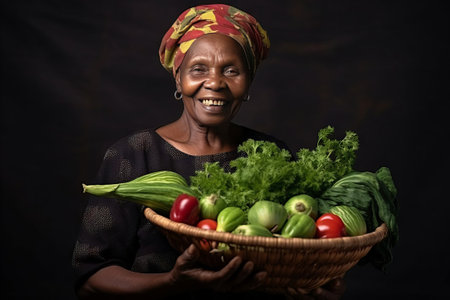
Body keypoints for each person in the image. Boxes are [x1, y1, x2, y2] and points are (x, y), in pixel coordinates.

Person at [72, 4, 346, 300]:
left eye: (231, 71)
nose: (215, 83)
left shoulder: (271, 154)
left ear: (248, 82)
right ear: (179, 78)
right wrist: (173, 283)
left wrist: (312, 287)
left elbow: (294, 251)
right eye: (198, 69)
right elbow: (91, 279)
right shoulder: (133, 155)